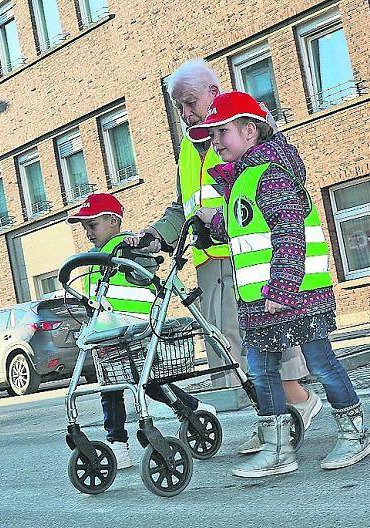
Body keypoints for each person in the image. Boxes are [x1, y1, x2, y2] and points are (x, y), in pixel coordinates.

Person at [125, 60, 321, 456]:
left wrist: (226, 219)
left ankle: (295, 405)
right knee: (232, 349)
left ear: (213, 92)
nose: (184, 114)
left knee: (260, 344)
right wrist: (155, 234)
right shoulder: (187, 149)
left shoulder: (239, 132)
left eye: (190, 102)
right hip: (209, 260)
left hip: (247, 254)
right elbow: (184, 207)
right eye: (179, 107)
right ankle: (270, 417)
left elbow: (273, 183)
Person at [188, 91, 370, 478]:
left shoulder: (270, 175)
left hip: (294, 296)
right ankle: (277, 447)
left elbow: (289, 233)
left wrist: (283, 289)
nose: (216, 140)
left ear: (250, 131)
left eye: (223, 131)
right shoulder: (242, 179)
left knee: (321, 363)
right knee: (260, 371)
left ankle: (355, 434)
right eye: (213, 134)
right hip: (260, 301)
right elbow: (246, 226)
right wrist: (214, 220)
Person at [68, 192, 216, 470]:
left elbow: (145, 268)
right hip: (105, 334)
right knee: (110, 389)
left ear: (113, 221)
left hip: (134, 332)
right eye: (85, 227)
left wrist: (137, 246)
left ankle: (192, 409)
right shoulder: (92, 259)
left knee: (147, 385)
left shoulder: (128, 248)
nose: (88, 232)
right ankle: (117, 443)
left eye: (93, 225)